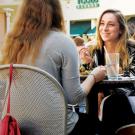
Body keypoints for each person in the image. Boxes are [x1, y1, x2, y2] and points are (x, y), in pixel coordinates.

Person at [0, 0, 106, 134]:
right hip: (56, 127)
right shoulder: (63, 42)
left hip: (15, 126)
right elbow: (73, 97)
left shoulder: (11, 43)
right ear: (57, 11)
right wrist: (93, 76)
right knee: (93, 123)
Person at [91, 9, 135, 135]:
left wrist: (118, 73)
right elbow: (92, 77)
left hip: (131, 96)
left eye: (110, 24)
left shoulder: (132, 49)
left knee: (113, 102)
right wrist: (85, 64)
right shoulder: (96, 51)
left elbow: (132, 80)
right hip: (106, 98)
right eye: (102, 23)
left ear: (121, 29)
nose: (104, 28)